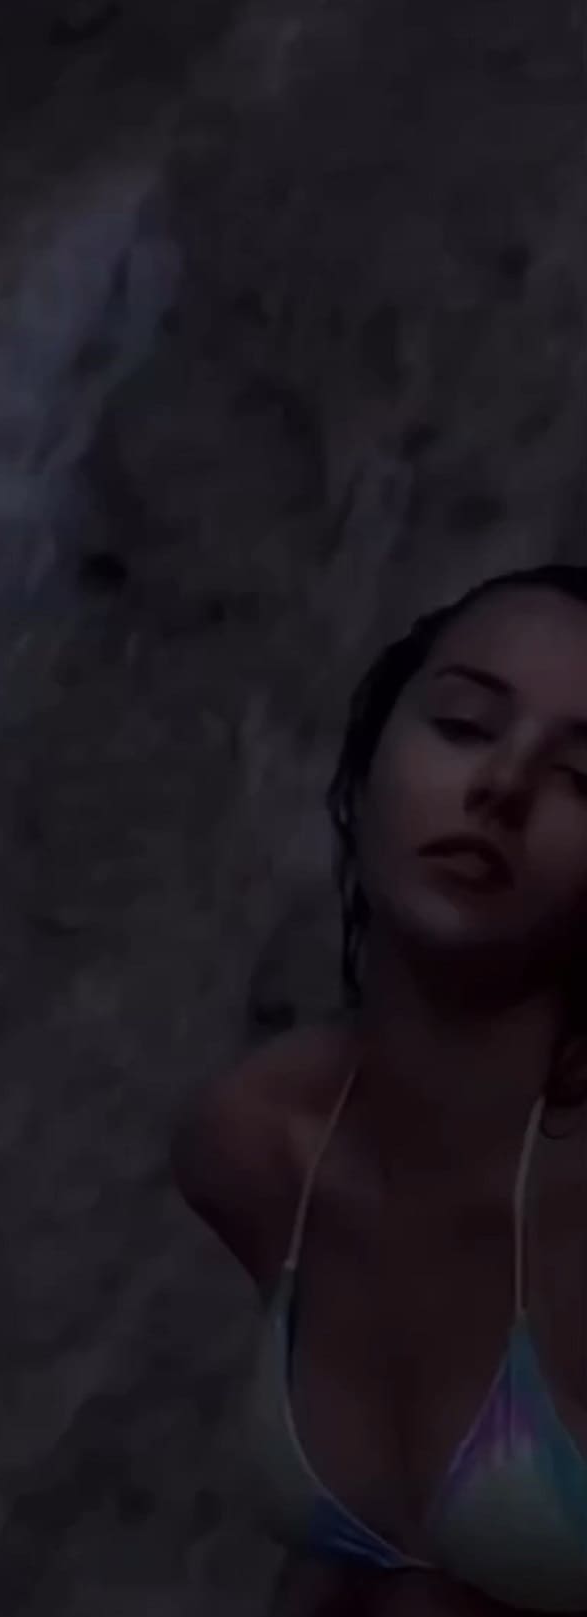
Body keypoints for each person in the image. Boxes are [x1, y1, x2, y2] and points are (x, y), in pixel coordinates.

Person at [174, 565, 587, 1616]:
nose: (503, 784)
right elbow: (371, 1551)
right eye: (462, 725)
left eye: (581, 779)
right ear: (363, 773)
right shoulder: (258, 1142)